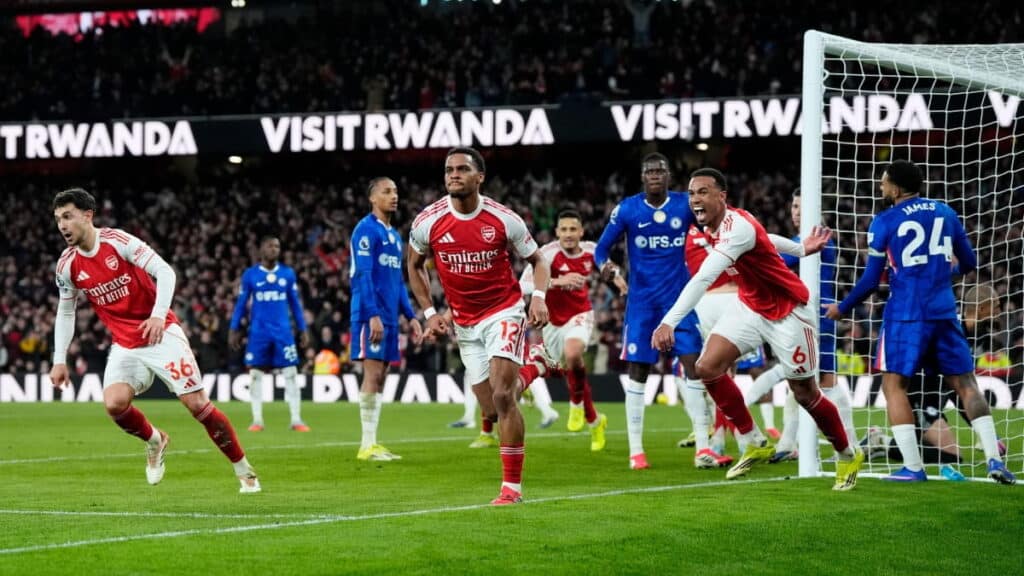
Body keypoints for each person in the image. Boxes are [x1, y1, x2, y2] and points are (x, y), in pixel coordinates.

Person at [653, 168, 863, 491]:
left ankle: (847, 454)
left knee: (805, 393)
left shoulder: (736, 227)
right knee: (707, 366)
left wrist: (669, 321)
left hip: (789, 312)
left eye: (703, 192)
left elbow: (704, 277)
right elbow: (766, 237)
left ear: (722, 196)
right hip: (750, 306)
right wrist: (800, 249)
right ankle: (753, 439)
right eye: (692, 193)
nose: (695, 199)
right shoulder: (719, 224)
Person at [49, 188, 260, 493]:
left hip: (161, 334)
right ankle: (155, 440)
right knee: (114, 405)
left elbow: (165, 271)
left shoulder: (118, 242)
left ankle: (244, 471)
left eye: (67, 217)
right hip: (125, 344)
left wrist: (159, 315)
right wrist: (59, 359)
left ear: (87, 215)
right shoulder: (67, 265)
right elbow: (66, 311)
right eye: (58, 219)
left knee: (197, 405)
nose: (62, 225)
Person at [825, 159, 1015, 485]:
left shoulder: (884, 221)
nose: (881, 186)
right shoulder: (946, 212)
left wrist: (842, 308)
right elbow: (969, 262)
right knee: (966, 384)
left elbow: (871, 281)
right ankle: (994, 459)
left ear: (897, 188)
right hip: (944, 310)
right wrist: (943, 272)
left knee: (893, 386)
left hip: (906, 315)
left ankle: (913, 468)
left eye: (884, 182)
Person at [408, 147, 550, 505]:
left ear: (479, 177)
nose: (453, 175)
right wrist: (430, 313)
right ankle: (535, 365)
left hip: (503, 311)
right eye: (449, 170)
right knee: (491, 409)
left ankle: (511, 489)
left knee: (503, 396)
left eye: (462, 169)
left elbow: (538, 260)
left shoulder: (504, 219)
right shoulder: (428, 221)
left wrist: (538, 297)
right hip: (464, 323)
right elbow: (414, 265)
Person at [593, 153, 705, 470]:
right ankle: (636, 452)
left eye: (660, 170)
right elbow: (601, 250)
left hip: (679, 303)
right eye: (649, 171)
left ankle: (704, 448)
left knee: (693, 367)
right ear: (642, 177)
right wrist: (606, 268)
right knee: (639, 372)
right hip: (642, 305)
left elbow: (712, 228)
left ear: (668, 175)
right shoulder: (628, 209)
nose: (655, 175)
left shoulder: (684, 205)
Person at [745, 189, 858, 463]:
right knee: (804, 383)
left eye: (801, 206)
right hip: (812, 315)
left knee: (817, 382)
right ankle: (788, 443)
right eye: (794, 206)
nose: (796, 212)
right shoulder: (813, 238)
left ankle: (849, 447)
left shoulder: (813, 239)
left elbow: (778, 260)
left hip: (817, 318)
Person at [519, 208, 621, 452]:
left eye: (573, 229)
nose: (568, 234)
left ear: (581, 232)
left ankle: (576, 404)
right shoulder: (547, 253)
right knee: (566, 369)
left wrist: (616, 278)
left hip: (580, 314)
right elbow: (522, 285)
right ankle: (595, 421)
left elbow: (608, 267)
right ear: (557, 232)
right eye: (563, 229)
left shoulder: (591, 250)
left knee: (573, 354)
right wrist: (557, 282)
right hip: (552, 323)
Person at [349, 177, 424, 461]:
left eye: (395, 191)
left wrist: (410, 315)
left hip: (390, 316)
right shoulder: (365, 230)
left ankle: (373, 442)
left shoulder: (394, 236)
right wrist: (373, 315)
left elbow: (398, 281)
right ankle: (366, 445)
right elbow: (363, 274)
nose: (394, 196)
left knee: (382, 377)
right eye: (387, 192)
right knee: (372, 374)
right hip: (370, 314)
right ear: (372, 198)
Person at [229, 236, 311, 432]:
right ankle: (257, 420)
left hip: (283, 332)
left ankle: (296, 420)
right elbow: (241, 304)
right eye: (270, 246)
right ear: (261, 250)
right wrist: (233, 328)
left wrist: (303, 329)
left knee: (291, 373)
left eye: (277, 246)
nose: (274, 249)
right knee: (255, 374)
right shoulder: (250, 275)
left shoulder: (287, 274)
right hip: (259, 333)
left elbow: (295, 304)